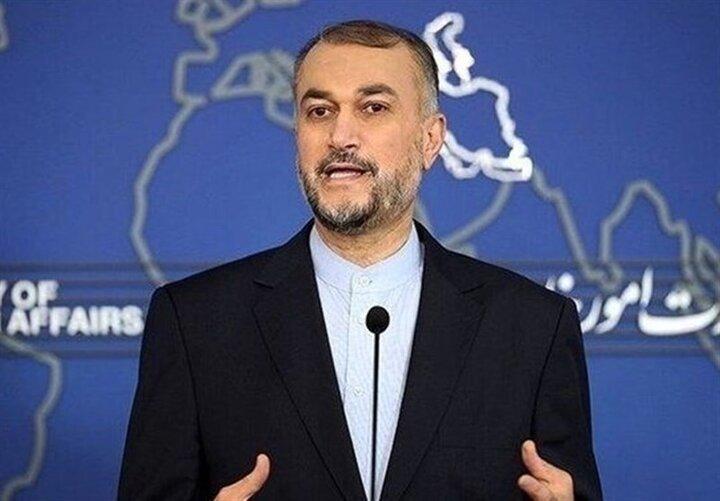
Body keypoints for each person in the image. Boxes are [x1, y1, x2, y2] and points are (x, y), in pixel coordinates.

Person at [118, 20, 602, 501]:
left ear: (430, 139)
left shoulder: (533, 328)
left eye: (373, 108)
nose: (341, 135)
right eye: (320, 111)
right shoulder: (194, 323)